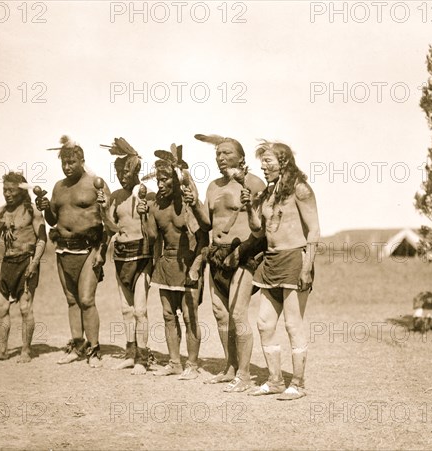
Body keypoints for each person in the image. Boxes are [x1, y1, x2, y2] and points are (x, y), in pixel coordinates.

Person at [184, 134, 266, 392]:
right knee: (221, 315)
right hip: (216, 255)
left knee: (238, 315)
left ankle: (244, 375)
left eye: (227, 153)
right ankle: (230, 367)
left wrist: (242, 252)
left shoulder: (254, 183)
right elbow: (207, 223)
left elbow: (260, 228)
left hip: (242, 255)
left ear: (241, 158)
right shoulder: (213, 186)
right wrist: (194, 202)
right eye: (218, 154)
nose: (221, 158)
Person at [241, 141, 320, 401]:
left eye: (268, 161)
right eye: (262, 161)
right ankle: (275, 380)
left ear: (283, 162)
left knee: (292, 324)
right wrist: (249, 207)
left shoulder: (300, 189)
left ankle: (298, 383)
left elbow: (314, 231)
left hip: (295, 259)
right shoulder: (268, 193)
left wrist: (307, 268)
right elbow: (257, 231)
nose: (263, 167)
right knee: (264, 323)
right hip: (271, 261)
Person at [37, 135, 110, 368]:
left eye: (72, 163)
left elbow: (107, 222)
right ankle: (78, 346)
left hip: (89, 249)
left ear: (82, 161)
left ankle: (95, 349)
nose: (68, 167)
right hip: (63, 250)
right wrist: (46, 208)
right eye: (64, 163)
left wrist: (102, 252)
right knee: (72, 300)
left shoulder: (95, 183)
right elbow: (52, 221)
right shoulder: (58, 187)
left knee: (87, 300)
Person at [137, 144, 208, 380]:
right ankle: (175, 362)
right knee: (168, 315)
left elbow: (203, 238)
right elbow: (152, 237)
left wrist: (197, 267)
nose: (159, 184)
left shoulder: (189, 202)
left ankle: (193, 365)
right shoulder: (156, 205)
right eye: (158, 179)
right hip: (166, 263)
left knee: (190, 317)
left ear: (176, 180)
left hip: (189, 264)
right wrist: (143, 214)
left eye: (165, 179)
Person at [0, 172, 47, 363]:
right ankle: (2, 350)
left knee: (25, 308)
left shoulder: (32, 210)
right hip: (7, 263)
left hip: (27, 261)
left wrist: (34, 263)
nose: (7, 194)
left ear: (21, 191)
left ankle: (26, 351)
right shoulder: (0, 212)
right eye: (4, 190)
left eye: (11, 190)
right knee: (0, 308)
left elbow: (42, 238)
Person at [102, 137, 155, 375]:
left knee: (140, 310)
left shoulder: (147, 194)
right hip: (121, 254)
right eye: (119, 171)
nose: (123, 175)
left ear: (136, 170)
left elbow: (153, 230)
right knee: (126, 309)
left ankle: (143, 358)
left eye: (127, 171)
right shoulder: (114, 196)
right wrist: (104, 210)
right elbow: (112, 228)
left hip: (142, 254)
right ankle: (130, 353)